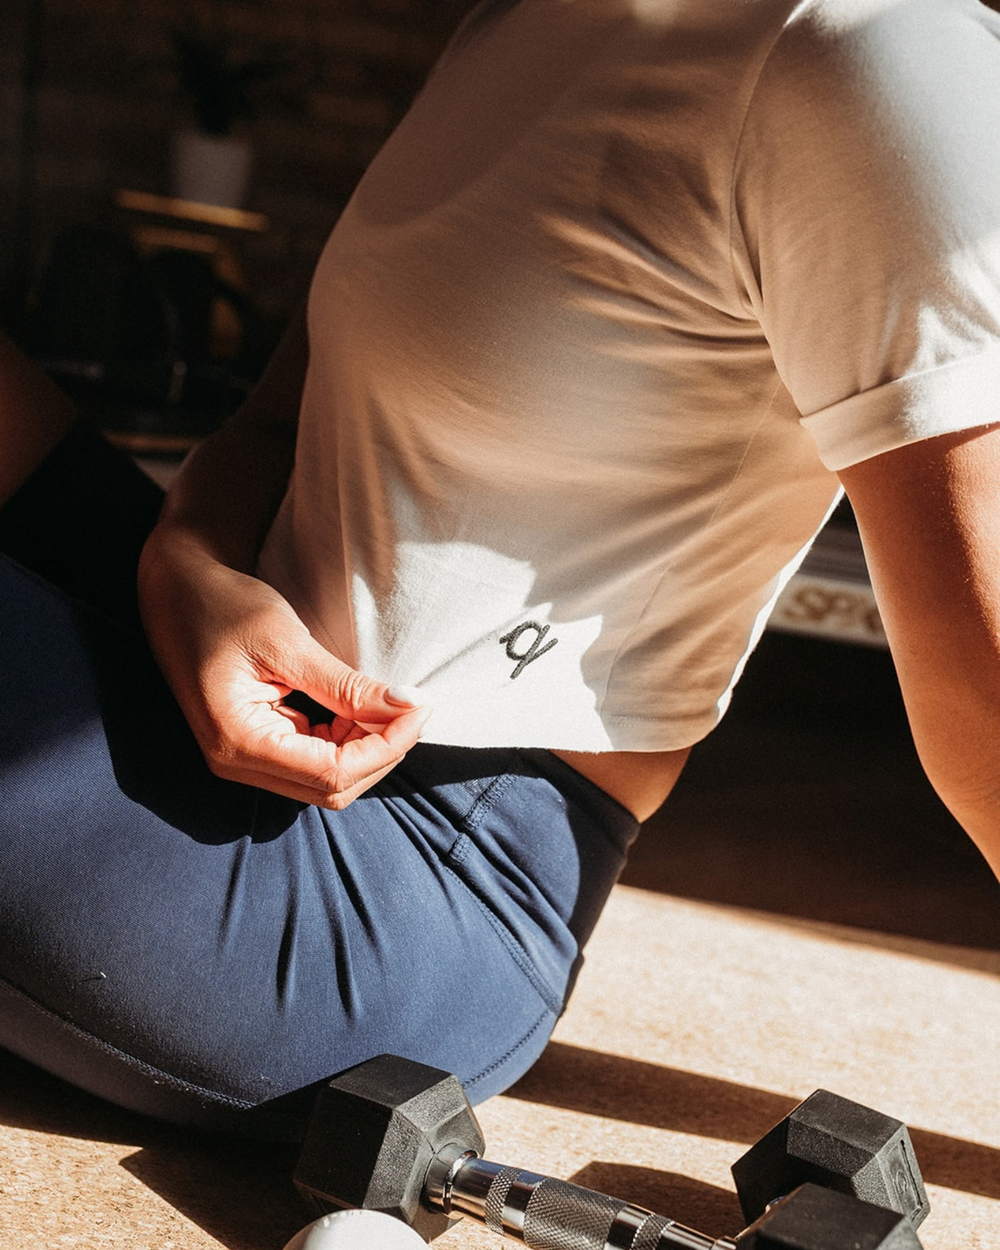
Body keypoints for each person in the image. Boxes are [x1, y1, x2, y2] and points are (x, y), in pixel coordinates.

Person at [1, 0, 998, 1139]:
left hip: (411, 872)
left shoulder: (879, 53)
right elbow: (275, 422)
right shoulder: (520, 19)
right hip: (218, 655)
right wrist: (188, 568)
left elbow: (989, 694)